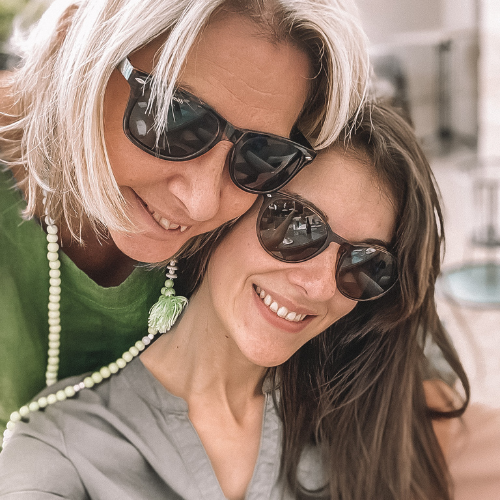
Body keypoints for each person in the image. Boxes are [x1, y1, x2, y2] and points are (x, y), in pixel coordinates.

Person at [0, 103, 469, 500]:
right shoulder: (60, 447)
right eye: (296, 225)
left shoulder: (364, 422)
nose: (321, 286)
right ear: (230, 211)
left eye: (365, 264)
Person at [0, 0, 371, 430]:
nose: (202, 203)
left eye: (262, 155)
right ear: (74, 46)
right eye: (172, 120)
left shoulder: (266, 207)